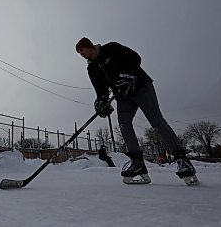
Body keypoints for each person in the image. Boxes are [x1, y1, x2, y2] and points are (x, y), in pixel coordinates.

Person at [75, 37, 198, 185]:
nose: (81, 54)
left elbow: (135, 58)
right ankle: (137, 162)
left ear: (89, 46)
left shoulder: (111, 48)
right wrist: (101, 101)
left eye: (82, 50)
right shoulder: (92, 69)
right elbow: (100, 90)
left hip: (141, 87)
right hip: (123, 96)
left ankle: (182, 159)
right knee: (124, 124)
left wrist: (127, 76)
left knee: (156, 121)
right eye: (79, 53)